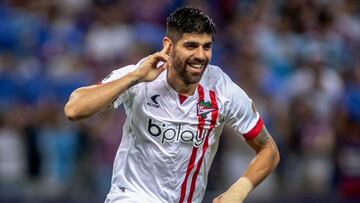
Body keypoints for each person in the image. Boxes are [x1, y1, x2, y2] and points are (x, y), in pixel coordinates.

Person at [64, 6, 280, 203]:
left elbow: (268, 150)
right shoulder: (141, 76)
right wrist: (134, 78)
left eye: (207, 47)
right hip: (131, 196)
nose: (200, 55)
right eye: (191, 46)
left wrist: (238, 191)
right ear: (168, 45)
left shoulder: (222, 90)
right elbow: (74, 109)